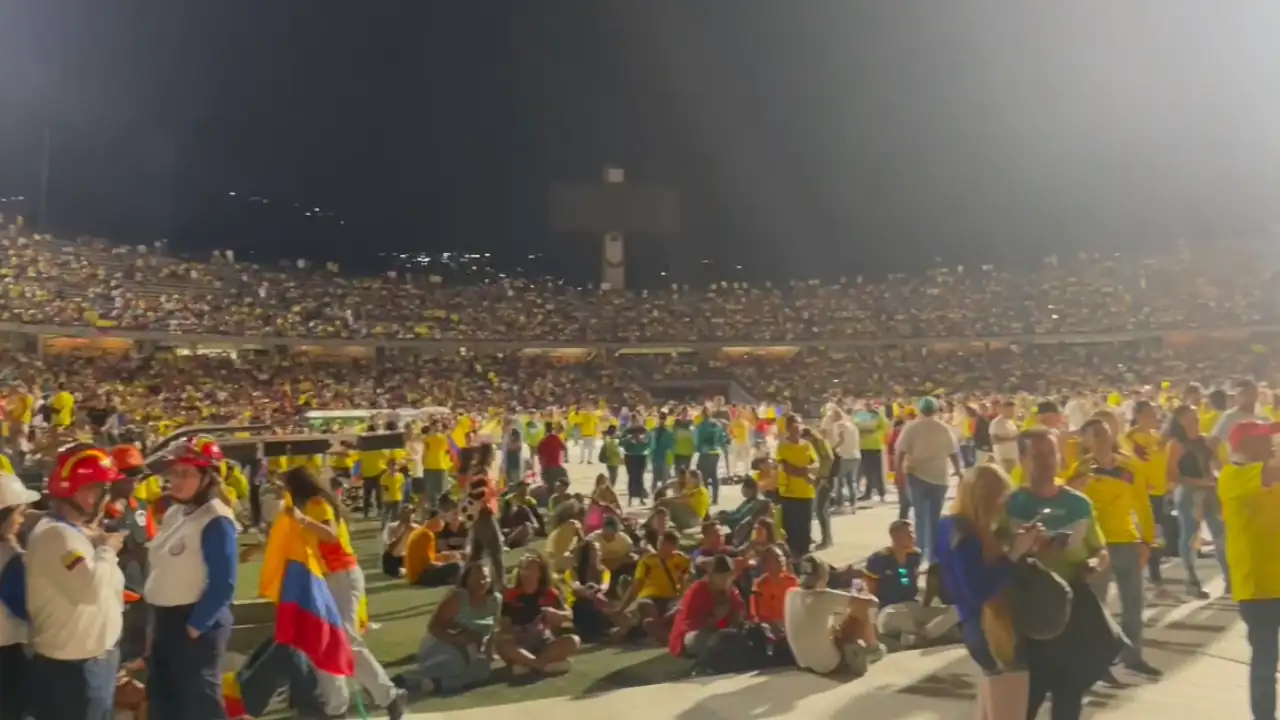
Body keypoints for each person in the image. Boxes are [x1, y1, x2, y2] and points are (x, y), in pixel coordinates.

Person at [283, 466, 408, 719]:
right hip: (327, 580)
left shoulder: (316, 505)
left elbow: (329, 535)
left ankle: (383, 697)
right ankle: (343, 704)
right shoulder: (309, 508)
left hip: (342, 576)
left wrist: (301, 519)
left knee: (344, 642)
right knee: (330, 644)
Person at [1005, 429, 1112, 720]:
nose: (1047, 461)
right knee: (1027, 698)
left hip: (1072, 609)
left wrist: (1093, 565)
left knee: (1069, 696)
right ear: (1022, 459)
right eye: (1037, 455)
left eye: (1051, 453)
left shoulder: (1079, 504)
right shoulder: (1009, 505)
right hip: (1028, 613)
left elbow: (1101, 551)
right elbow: (993, 559)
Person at [25, 445, 128, 720]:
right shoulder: (58, 537)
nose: (107, 499)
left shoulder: (67, 533)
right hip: (75, 668)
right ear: (87, 492)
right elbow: (90, 589)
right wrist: (107, 550)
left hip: (89, 662)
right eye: (103, 490)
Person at [935, 463, 1041, 720]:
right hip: (991, 631)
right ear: (985, 500)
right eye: (1000, 499)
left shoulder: (949, 526)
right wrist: (1014, 553)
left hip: (973, 625)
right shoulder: (966, 535)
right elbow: (979, 589)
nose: (1003, 507)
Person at [144, 436, 239, 719]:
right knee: (163, 701)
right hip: (166, 620)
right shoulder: (175, 513)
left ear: (206, 476)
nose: (177, 479)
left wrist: (195, 627)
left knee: (198, 703)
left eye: (186, 473)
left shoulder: (216, 519)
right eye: (174, 472)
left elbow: (224, 583)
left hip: (193, 622)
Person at [1073, 417, 1161, 677]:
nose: (1101, 438)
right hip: (1098, 545)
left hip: (1128, 542)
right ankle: (1098, 664)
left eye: (1105, 433)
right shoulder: (1081, 470)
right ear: (1086, 440)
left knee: (1134, 605)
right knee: (1097, 609)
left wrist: (1148, 541)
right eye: (1095, 434)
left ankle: (1133, 657)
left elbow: (1143, 506)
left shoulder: (1130, 468)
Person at [1218, 420, 1280, 720]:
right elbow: (1271, 472)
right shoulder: (1233, 476)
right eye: (1264, 439)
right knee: (1266, 663)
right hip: (1258, 589)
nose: (1270, 443)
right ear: (1242, 446)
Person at [401, 562, 500, 696]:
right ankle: (405, 678)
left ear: (491, 579)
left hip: (471, 650)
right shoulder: (457, 598)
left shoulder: (495, 600)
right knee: (457, 662)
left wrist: (489, 652)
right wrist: (457, 640)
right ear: (467, 578)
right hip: (441, 643)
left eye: (485, 577)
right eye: (476, 578)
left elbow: (494, 627)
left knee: (483, 670)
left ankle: (437, 684)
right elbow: (434, 628)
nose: (481, 582)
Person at [1164, 403, 1229, 599]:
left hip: (1210, 491)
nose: (1196, 419)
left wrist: (1217, 477)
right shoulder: (1176, 444)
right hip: (1189, 493)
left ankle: (1230, 579)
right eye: (1191, 416)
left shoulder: (1205, 441)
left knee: (1221, 534)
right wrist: (1198, 481)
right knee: (1191, 536)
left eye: (1196, 416)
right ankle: (1192, 580)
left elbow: (1215, 464)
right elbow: (1171, 474)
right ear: (1181, 420)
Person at [784, 555, 885, 677]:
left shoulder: (790, 593)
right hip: (828, 665)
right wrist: (859, 592)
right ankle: (873, 647)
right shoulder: (824, 596)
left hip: (802, 662)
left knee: (834, 619)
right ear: (825, 576)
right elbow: (872, 602)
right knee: (860, 610)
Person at [866, 519, 958, 646]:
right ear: (895, 536)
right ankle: (932, 633)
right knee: (897, 616)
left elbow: (910, 582)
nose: (913, 537)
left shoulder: (915, 556)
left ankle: (922, 635)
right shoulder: (878, 559)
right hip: (889, 610)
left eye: (913, 533)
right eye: (909, 533)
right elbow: (871, 593)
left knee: (956, 610)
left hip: (912, 606)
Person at [894, 397, 964, 564]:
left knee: (920, 514)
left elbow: (901, 451)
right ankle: (933, 554)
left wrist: (898, 472)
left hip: (917, 474)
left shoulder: (912, 428)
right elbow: (953, 452)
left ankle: (919, 550)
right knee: (934, 516)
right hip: (939, 476)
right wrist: (959, 471)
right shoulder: (943, 428)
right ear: (936, 410)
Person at [496, 553, 580, 675]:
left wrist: (556, 614)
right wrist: (512, 629)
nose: (527, 573)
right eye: (524, 568)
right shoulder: (510, 595)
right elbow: (504, 626)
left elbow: (569, 616)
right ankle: (542, 664)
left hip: (544, 641)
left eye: (532, 569)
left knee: (573, 640)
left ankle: (530, 665)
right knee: (502, 643)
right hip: (520, 642)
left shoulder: (550, 593)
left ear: (540, 573)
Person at [0, 472, 39, 720]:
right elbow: (29, 608)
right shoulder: (12, 557)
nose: (22, 519)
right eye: (19, 513)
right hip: (8, 654)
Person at [612, 529, 691, 645]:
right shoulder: (647, 561)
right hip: (649, 596)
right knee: (646, 605)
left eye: (667, 545)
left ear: (674, 547)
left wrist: (683, 599)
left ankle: (657, 628)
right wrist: (622, 607)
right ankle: (661, 633)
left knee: (677, 610)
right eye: (661, 543)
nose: (662, 547)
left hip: (671, 598)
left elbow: (686, 582)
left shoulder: (682, 560)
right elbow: (636, 585)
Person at [668, 554, 745, 658]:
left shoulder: (732, 592)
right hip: (689, 635)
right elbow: (701, 624)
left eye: (727, 576)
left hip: (718, 632)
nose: (724, 580)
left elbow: (738, 618)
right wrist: (719, 615)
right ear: (711, 576)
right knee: (709, 640)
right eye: (720, 577)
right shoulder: (697, 591)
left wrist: (734, 620)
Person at [776, 415, 818, 560]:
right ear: (788, 428)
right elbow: (785, 467)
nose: (797, 430)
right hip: (790, 493)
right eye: (794, 427)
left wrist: (808, 470)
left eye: (799, 426)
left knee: (805, 526)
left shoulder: (807, 445)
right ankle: (792, 557)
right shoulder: (782, 445)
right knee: (791, 527)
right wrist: (804, 473)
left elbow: (816, 464)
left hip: (807, 492)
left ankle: (804, 556)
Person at [404, 510, 465, 587]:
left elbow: (427, 558)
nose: (443, 523)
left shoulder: (421, 531)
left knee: (456, 564)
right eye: (442, 520)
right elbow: (429, 565)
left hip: (415, 576)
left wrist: (446, 556)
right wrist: (446, 564)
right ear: (436, 519)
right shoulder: (426, 535)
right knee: (457, 566)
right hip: (420, 577)